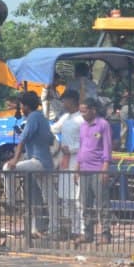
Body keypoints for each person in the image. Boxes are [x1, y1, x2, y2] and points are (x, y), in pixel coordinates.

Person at [3, 90, 55, 235]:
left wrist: (15, 159)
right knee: (48, 197)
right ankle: (50, 228)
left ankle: (11, 202)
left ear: (25, 106)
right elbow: (50, 139)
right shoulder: (42, 118)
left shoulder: (33, 117)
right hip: (46, 162)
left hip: (37, 161)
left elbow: (22, 140)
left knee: (7, 168)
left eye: (21, 106)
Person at [74, 97, 113, 243]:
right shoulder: (83, 126)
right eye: (81, 111)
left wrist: (105, 167)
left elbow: (107, 147)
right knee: (85, 204)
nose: (82, 114)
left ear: (93, 110)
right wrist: (77, 166)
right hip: (84, 169)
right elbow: (81, 146)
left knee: (102, 203)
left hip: (98, 169)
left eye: (85, 111)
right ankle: (88, 233)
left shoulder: (103, 125)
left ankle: (105, 233)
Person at [50, 88, 84, 239]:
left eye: (65, 100)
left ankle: (81, 230)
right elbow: (52, 128)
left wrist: (72, 149)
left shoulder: (82, 119)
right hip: (65, 161)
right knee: (66, 197)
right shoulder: (66, 117)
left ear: (72, 101)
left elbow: (86, 143)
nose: (63, 103)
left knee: (77, 199)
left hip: (76, 161)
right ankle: (70, 228)